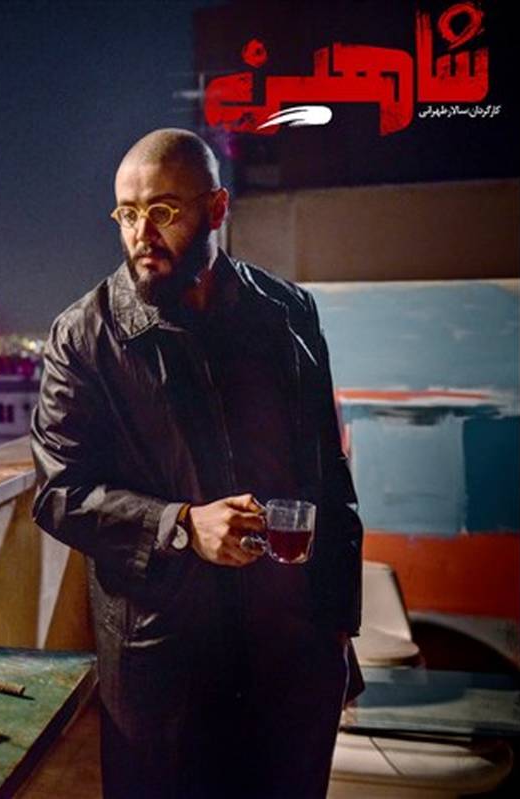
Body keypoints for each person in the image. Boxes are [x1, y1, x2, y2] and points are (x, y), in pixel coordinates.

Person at [31, 129, 363, 798]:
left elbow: (329, 475)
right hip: (164, 669)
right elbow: (58, 492)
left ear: (216, 208)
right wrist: (181, 524)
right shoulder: (84, 335)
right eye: (127, 213)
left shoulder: (288, 313)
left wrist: (337, 634)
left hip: (289, 657)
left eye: (162, 210)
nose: (140, 233)